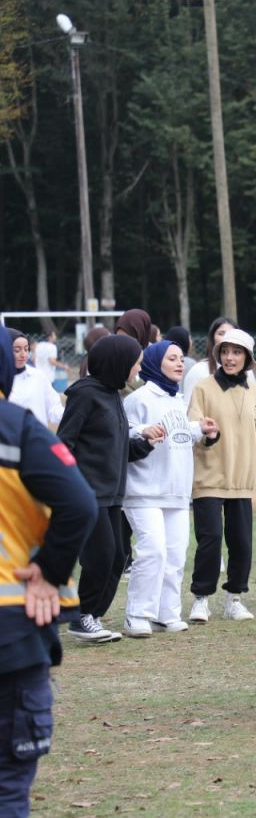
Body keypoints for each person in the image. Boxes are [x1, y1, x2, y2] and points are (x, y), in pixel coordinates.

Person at [0, 326, 97, 816]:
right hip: (12, 627)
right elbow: (79, 504)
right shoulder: (15, 428)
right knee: (7, 787)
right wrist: (46, 571)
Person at [58, 335, 161, 642]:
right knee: (101, 556)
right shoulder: (84, 395)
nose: (138, 368)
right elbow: (64, 442)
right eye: (136, 362)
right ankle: (80, 617)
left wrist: (143, 445)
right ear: (118, 363)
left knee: (117, 557)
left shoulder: (113, 394)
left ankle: (91, 616)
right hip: (87, 493)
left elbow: (113, 446)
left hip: (113, 493)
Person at [187, 329, 256, 622]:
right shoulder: (203, 388)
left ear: (247, 357)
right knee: (210, 540)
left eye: (236, 352)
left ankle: (234, 598)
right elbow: (194, 427)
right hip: (209, 478)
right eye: (225, 351)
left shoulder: (253, 389)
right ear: (217, 354)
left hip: (242, 481)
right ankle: (201, 599)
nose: (230, 357)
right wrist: (206, 433)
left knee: (242, 544)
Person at [120, 341, 219, 637]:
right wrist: (142, 432)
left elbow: (181, 434)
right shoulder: (139, 398)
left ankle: (167, 613)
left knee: (176, 553)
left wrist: (201, 430)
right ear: (154, 363)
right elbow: (123, 432)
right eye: (172, 359)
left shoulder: (178, 399)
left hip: (176, 492)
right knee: (153, 551)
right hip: (143, 491)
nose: (180, 364)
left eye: (181, 359)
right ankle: (137, 614)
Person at [6, 330, 63, 429]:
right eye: (17, 350)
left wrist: (73, 413)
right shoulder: (4, 379)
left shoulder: (39, 376)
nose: (23, 354)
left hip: (37, 439)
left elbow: (54, 408)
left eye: (26, 349)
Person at [181, 317, 250, 397]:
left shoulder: (248, 372)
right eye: (221, 333)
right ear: (212, 338)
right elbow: (189, 406)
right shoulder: (199, 371)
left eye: (231, 333)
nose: (226, 337)